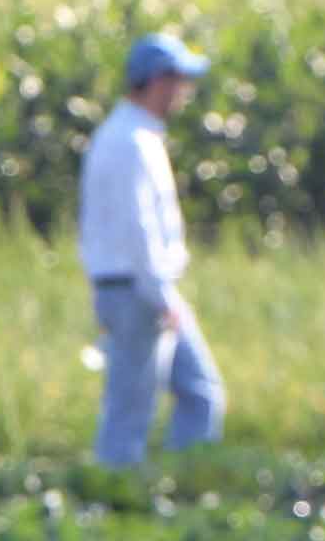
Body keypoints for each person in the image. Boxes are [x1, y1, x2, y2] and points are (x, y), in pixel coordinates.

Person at [79, 32, 226, 467]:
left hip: (141, 287)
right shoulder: (130, 142)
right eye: (179, 81)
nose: (184, 93)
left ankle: (184, 487)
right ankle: (114, 503)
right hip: (136, 291)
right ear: (156, 82)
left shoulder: (137, 136)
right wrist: (162, 297)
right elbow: (137, 228)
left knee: (201, 393)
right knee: (130, 415)